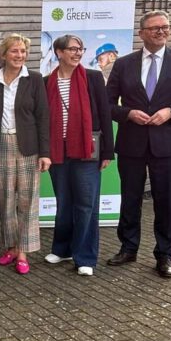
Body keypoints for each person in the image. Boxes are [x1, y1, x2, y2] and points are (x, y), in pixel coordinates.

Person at [105, 10, 171, 277]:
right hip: (132, 143)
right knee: (130, 199)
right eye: (154, 28)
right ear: (141, 33)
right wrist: (127, 113)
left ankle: (165, 255)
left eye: (165, 27)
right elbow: (106, 103)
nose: (161, 31)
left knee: (167, 202)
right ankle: (128, 248)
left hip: (168, 146)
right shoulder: (123, 64)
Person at [43, 35, 114, 276]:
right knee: (63, 202)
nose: (78, 53)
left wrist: (107, 151)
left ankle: (85, 257)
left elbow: (105, 114)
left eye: (80, 49)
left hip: (87, 150)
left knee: (85, 205)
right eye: (72, 49)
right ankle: (62, 249)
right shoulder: (46, 82)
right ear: (59, 52)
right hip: (58, 151)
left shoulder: (93, 78)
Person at [0, 34, 50, 275]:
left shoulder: (35, 79)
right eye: (15, 51)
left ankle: (23, 251)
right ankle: (10, 247)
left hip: (29, 147)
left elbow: (43, 117)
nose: (20, 55)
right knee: (6, 200)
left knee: (27, 201)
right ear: (3, 54)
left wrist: (45, 153)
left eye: (23, 51)